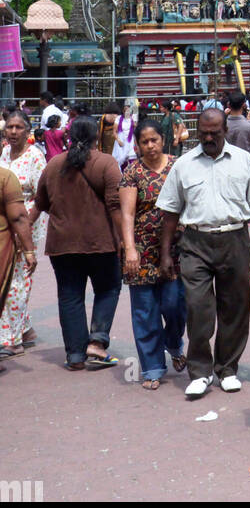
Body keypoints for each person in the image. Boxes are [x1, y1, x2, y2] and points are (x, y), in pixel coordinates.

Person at [157, 107, 250, 398]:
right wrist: (165, 254)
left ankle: (227, 369)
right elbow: (170, 212)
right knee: (198, 308)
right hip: (195, 243)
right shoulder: (184, 164)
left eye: (215, 133)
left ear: (226, 131)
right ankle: (200, 372)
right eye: (203, 133)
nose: (209, 138)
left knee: (234, 309)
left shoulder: (244, 161)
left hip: (235, 239)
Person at [34, 117, 123, 370]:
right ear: (96, 136)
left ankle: (75, 355)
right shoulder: (107, 163)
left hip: (62, 242)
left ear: (68, 136)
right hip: (101, 241)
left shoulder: (53, 164)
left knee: (70, 295)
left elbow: (42, 202)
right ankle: (97, 341)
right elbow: (115, 205)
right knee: (108, 289)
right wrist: (124, 240)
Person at [119, 120, 187, 389]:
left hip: (176, 249)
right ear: (138, 144)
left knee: (175, 305)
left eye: (154, 140)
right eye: (144, 142)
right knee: (145, 310)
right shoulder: (132, 173)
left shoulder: (178, 166)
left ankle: (173, 342)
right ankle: (152, 368)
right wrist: (129, 249)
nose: (150, 146)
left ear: (163, 140)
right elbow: (127, 214)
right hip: (142, 251)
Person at [0, 110, 45, 356]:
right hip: (5, 226)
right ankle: (25, 328)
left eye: (18, 127)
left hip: (26, 224)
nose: (14, 132)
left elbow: (42, 197)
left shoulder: (36, 157)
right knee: (6, 276)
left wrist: (25, 225)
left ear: (28, 130)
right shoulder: (4, 153)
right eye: (10, 127)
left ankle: (10, 339)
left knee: (18, 282)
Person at [225, 90, 250, 161]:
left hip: (227, 164)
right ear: (244, 105)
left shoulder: (221, 125)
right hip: (247, 164)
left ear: (229, 105)